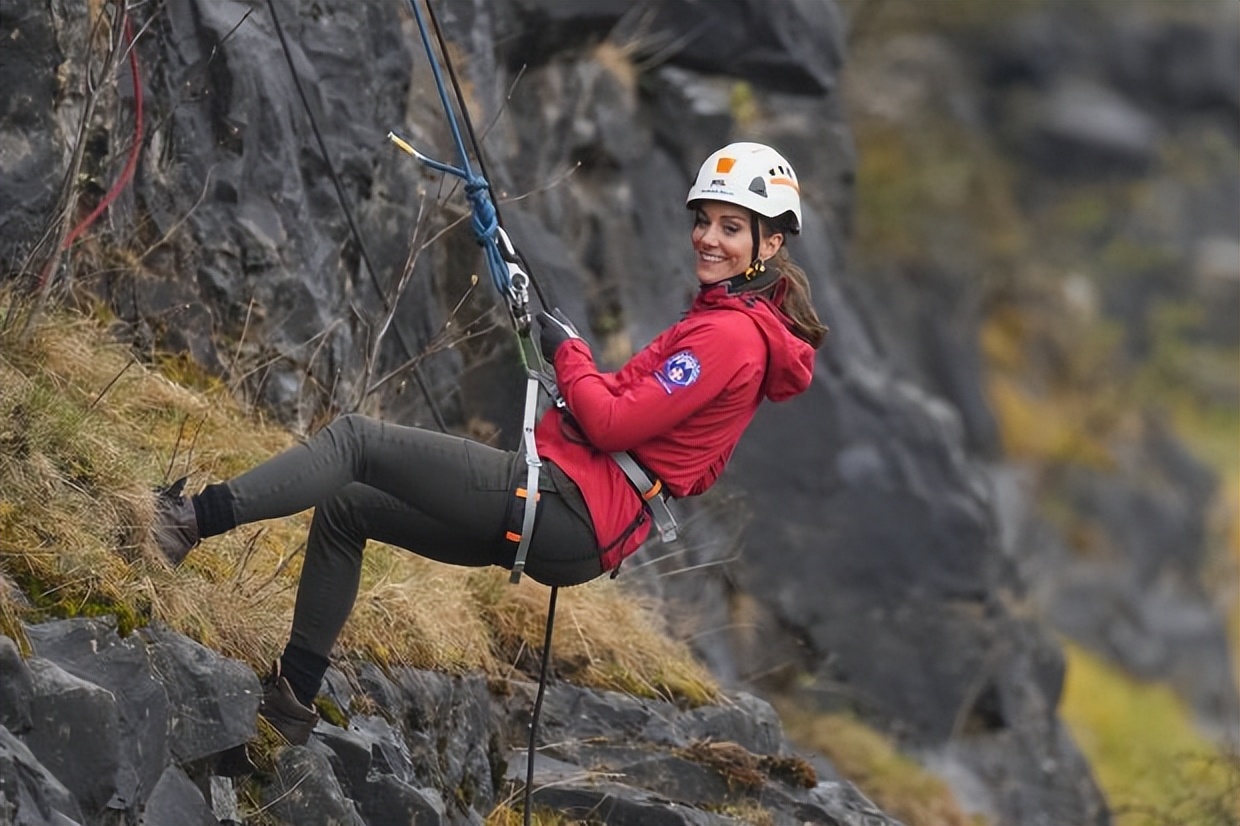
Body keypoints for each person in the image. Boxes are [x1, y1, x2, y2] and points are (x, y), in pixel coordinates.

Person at [153, 141, 827, 745]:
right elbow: (631, 410)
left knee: (357, 440)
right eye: (704, 221)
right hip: (578, 518)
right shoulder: (730, 323)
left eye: (731, 227)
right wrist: (574, 358)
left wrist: (569, 353)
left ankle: (185, 522)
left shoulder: (729, 336)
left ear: (769, 244)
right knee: (348, 508)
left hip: (569, 505)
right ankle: (291, 703)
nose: (708, 238)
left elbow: (611, 423)